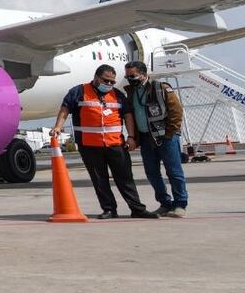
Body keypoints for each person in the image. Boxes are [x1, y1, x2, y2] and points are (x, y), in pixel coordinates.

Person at [51, 65, 158, 219]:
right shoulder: (79, 91)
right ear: (96, 77)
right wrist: (58, 127)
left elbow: (128, 116)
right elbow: (65, 109)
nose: (108, 84)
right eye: (105, 80)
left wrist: (131, 137)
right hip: (89, 146)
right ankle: (109, 209)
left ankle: (137, 208)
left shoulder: (118, 95)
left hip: (116, 145)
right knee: (99, 179)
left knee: (125, 178)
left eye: (112, 82)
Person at [124, 61, 188, 217]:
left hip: (165, 137)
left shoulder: (162, 88)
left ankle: (180, 204)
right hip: (146, 138)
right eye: (127, 76)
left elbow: (176, 111)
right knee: (152, 173)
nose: (129, 79)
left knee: (174, 172)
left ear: (144, 74)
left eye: (132, 76)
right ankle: (165, 203)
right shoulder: (131, 92)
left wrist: (169, 133)